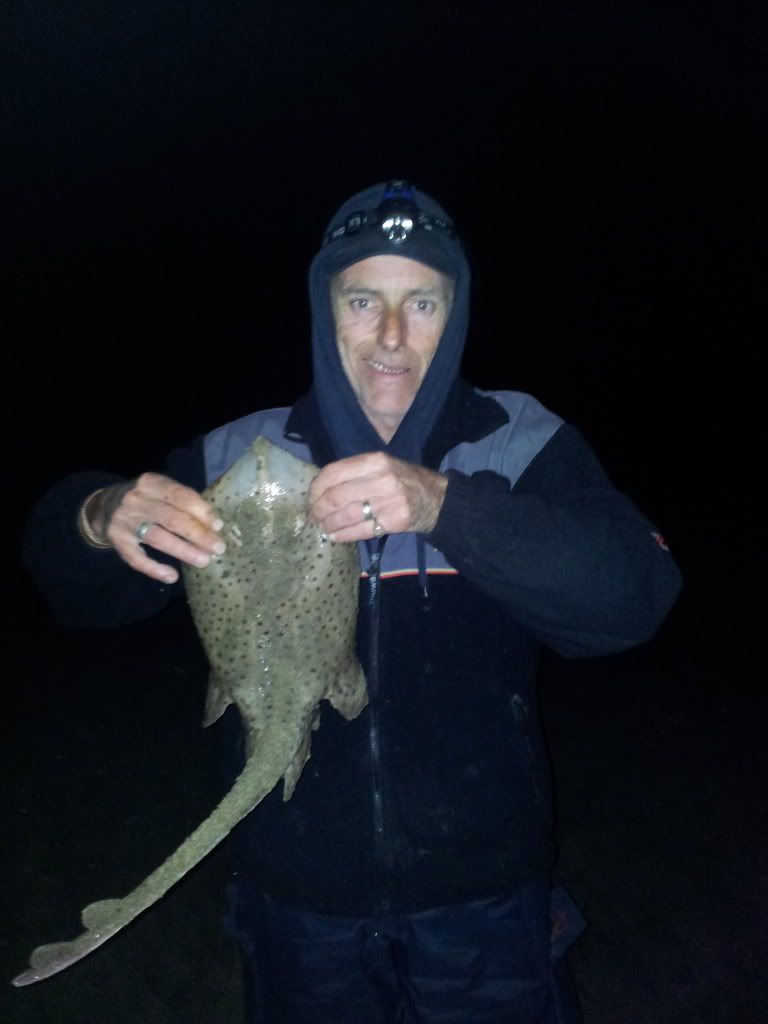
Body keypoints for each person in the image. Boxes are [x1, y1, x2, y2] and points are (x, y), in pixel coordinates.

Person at [23, 180, 682, 1023]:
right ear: (323, 307)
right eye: (364, 299)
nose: (393, 337)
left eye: (424, 302)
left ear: (459, 313)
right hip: (294, 901)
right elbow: (75, 590)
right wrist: (96, 513)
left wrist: (447, 506)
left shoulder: (520, 445)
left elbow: (634, 597)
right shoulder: (237, 455)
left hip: (485, 902)